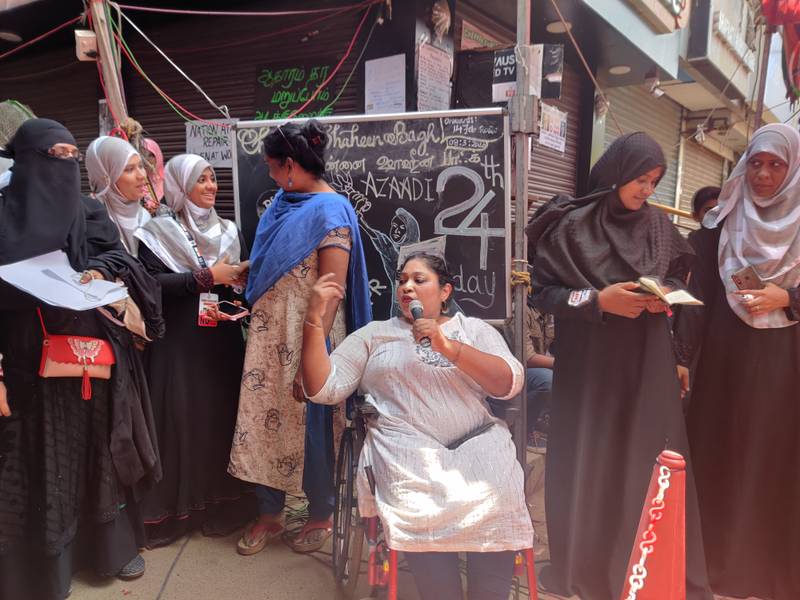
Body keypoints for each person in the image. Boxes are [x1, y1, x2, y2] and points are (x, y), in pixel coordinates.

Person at [525, 132, 711, 600]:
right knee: (587, 453)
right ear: (616, 171)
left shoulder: (658, 227)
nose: (647, 190)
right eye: (640, 179)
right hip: (589, 364)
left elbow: (676, 278)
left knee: (640, 454)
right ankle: (583, 565)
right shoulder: (571, 224)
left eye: (655, 182)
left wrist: (663, 299)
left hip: (645, 361)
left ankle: (640, 564)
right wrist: (597, 301)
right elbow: (543, 294)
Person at [302, 252, 533, 600]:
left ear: (445, 291)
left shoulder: (473, 330)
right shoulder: (374, 335)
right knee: (421, 505)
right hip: (406, 451)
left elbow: (509, 383)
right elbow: (323, 389)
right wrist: (313, 322)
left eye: (419, 280)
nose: (406, 287)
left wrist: (448, 347)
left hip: (477, 443)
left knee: (497, 495)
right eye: (402, 281)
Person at [0, 119, 163, 599]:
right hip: (25, 365)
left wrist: (94, 271)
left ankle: (107, 550)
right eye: (55, 155)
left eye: (73, 156)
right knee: (37, 458)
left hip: (88, 361)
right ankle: (44, 570)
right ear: (25, 161)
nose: (65, 165)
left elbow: (120, 258)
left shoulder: (87, 209)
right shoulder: (3, 214)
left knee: (97, 452)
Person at [228, 120, 372, 555]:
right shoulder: (282, 203)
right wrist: (252, 269)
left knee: (312, 426)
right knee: (261, 422)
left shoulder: (330, 212)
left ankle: (321, 512)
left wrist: (313, 355)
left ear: (290, 165)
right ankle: (269, 513)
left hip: (308, 333)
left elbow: (331, 289)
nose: (270, 175)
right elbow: (279, 258)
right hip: (268, 338)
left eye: (273, 167)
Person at [674, 123, 800, 600]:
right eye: (756, 163)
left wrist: (786, 297)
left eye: (776, 165)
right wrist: (681, 356)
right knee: (720, 455)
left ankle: (771, 571)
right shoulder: (721, 224)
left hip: (786, 367)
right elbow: (698, 297)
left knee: (775, 460)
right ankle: (715, 566)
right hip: (724, 365)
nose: (763, 175)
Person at [134, 154, 254, 547]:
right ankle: (179, 513)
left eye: (213, 178)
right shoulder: (157, 232)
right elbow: (150, 284)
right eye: (201, 180)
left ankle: (221, 508)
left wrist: (237, 285)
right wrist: (204, 276)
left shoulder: (229, 231)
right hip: (178, 344)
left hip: (219, 343)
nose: (211, 186)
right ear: (181, 186)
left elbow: (235, 289)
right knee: (180, 420)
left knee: (218, 419)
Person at [85, 135, 152, 257]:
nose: (142, 175)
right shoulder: (90, 221)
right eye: (129, 169)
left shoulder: (144, 217)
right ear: (105, 176)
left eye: (141, 166)